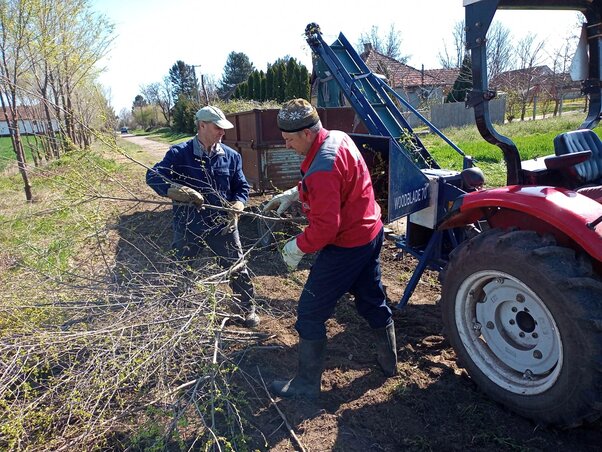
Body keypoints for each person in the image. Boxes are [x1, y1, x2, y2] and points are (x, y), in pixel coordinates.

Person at [264, 98, 397, 398]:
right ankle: (390, 362)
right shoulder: (337, 137)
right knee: (370, 298)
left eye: (288, 140)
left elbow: (325, 228)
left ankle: (306, 385)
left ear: (307, 134)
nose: (286, 145)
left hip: (347, 244)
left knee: (310, 312)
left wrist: (297, 246)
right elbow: (336, 183)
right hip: (370, 231)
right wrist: (295, 193)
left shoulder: (322, 167)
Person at [146, 105, 259, 328]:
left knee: (236, 267)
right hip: (189, 225)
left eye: (223, 129)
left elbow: (241, 186)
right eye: (218, 128)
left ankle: (247, 308)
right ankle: (178, 310)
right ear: (202, 126)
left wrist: (238, 202)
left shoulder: (231, 157)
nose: (222, 133)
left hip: (222, 225)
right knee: (182, 268)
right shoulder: (179, 154)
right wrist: (173, 191)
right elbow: (153, 176)